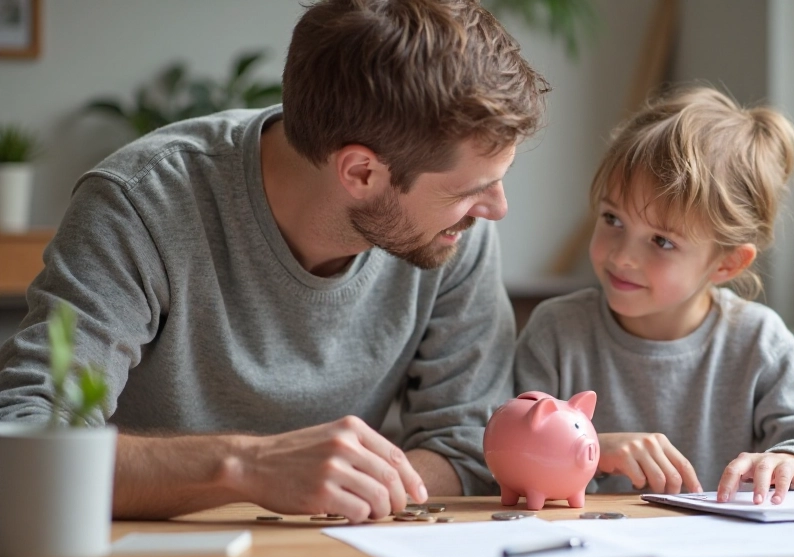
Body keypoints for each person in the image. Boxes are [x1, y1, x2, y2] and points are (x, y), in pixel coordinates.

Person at [0, 0, 548, 523]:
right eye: (472, 189)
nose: (496, 209)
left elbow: (466, 448)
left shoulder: (449, 232)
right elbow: (25, 442)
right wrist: (246, 468)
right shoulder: (140, 205)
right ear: (361, 173)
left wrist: (353, 483)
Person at [513, 86, 794, 506]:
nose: (622, 255)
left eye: (661, 241)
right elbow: (502, 459)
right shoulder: (556, 331)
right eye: (612, 218)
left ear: (727, 264)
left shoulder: (758, 340)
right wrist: (598, 449)